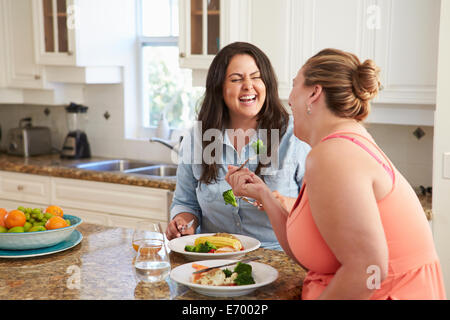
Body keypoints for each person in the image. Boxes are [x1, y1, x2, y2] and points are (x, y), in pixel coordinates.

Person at [225, 48, 446, 299]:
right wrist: (264, 194)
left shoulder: (333, 155)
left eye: (295, 85)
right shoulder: (335, 146)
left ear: (314, 93)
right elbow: (313, 256)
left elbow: (367, 270)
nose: (289, 99)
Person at [165, 42, 311, 250]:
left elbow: (316, 211)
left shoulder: (294, 135)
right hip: (215, 257)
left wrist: (273, 200)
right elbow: (186, 203)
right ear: (220, 89)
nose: (248, 86)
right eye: (236, 79)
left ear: (267, 84)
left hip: (279, 256)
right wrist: (182, 223)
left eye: (256, 77)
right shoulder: (198, 137)